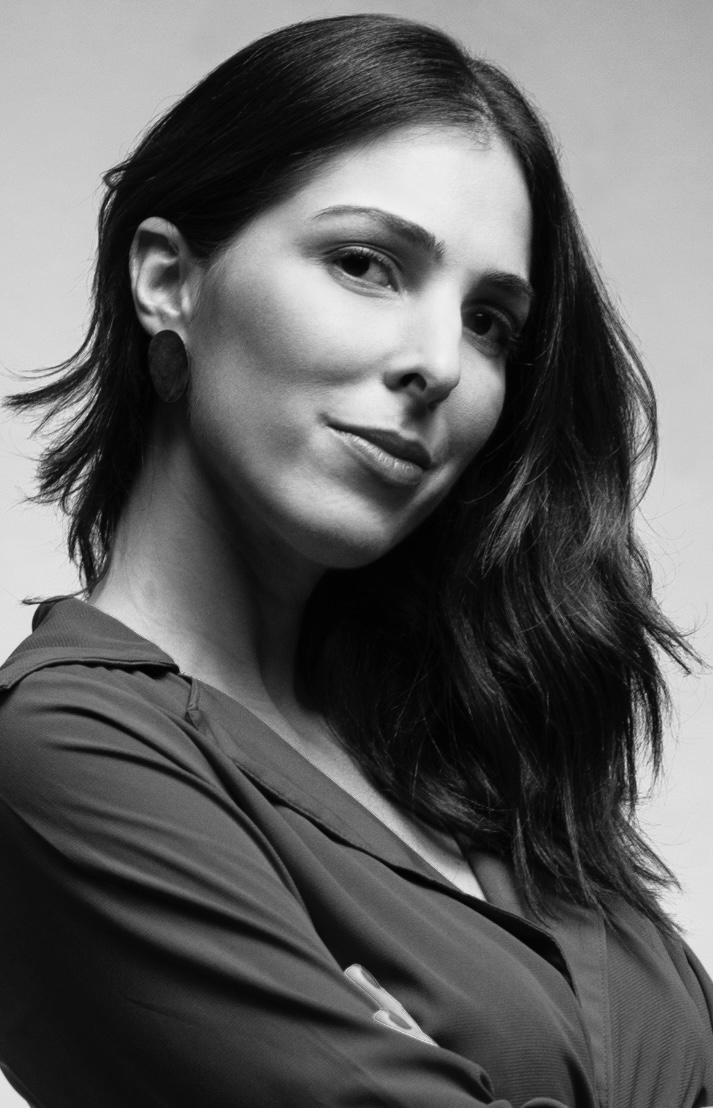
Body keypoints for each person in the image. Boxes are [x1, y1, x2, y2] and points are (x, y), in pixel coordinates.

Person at [0, 13, 711, 1108]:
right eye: (365, 264)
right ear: (168, 279)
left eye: (489, 321)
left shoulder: (467, 754)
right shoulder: (63, 750)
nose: (439, 362)